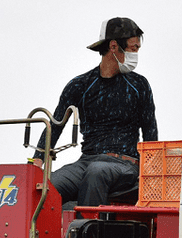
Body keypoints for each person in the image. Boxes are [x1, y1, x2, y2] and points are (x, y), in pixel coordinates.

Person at [32, 17, 158, 206]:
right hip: (86, 162)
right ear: (114, 46)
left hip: (126, 164)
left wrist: (152, 175)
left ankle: (83, 233)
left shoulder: (139, 85)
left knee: (97, 172)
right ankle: (36, 235)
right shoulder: (79, 85)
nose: (136, 54)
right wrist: (37, 162)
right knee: (48, 186)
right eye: (134, 48)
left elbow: (150, 132)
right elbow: (55, 124)